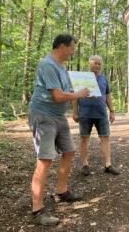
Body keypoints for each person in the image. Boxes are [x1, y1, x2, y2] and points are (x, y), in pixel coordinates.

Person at [28, 34, 90, 226]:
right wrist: (78, 95)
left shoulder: (62, 68)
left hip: (58, 116)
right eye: (72, 48)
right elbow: (57, 96)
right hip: (43, 115)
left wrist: (88, 92)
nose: (73, 51)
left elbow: (68, 91)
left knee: (69, 151)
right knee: (45, 159)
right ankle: (37, 210)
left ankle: (62, 192)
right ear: (62, 46)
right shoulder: (47, 64)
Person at [73, 55, 119, 176]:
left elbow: (107, 95)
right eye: (95, 63)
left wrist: (112, 111)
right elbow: (75, 96)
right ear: (90, 63)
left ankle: (108, 165)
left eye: (99, 64)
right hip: (85, 114)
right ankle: (85, 165)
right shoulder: (82, 78)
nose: (97, 65)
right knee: (84, 139)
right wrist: (75, 112)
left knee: (105, 138)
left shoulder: (104, 78)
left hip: (101, 114)